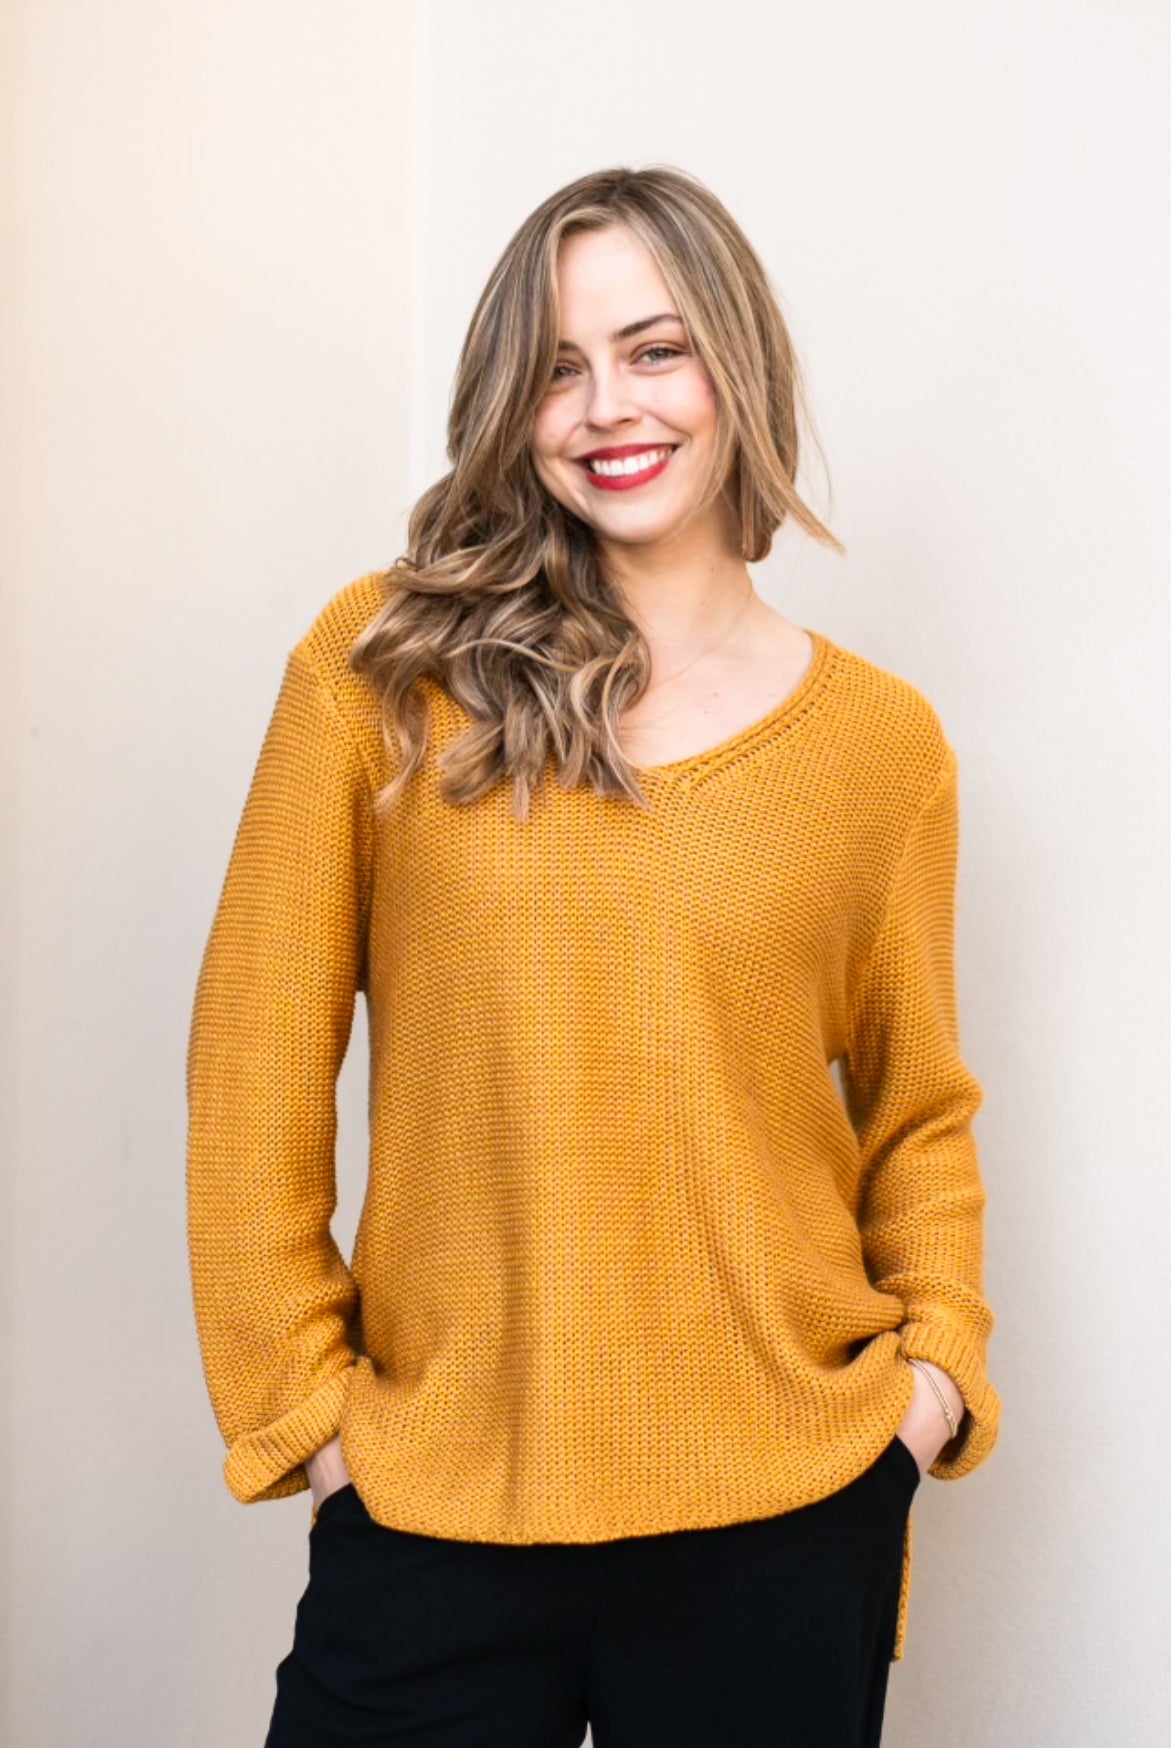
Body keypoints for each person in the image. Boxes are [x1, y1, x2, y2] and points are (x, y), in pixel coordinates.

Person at [186, 164, 1000, 1747]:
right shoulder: (384, 668)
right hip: (436, 1499)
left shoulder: (881, 748)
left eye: (654, 349)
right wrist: (312, 1415)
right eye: (558, 367)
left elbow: (919, 1111)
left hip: (784, 1512)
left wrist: (932, 1384)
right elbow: (251, 1059)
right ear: (514, 404)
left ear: (737, 367)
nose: (607, 406)